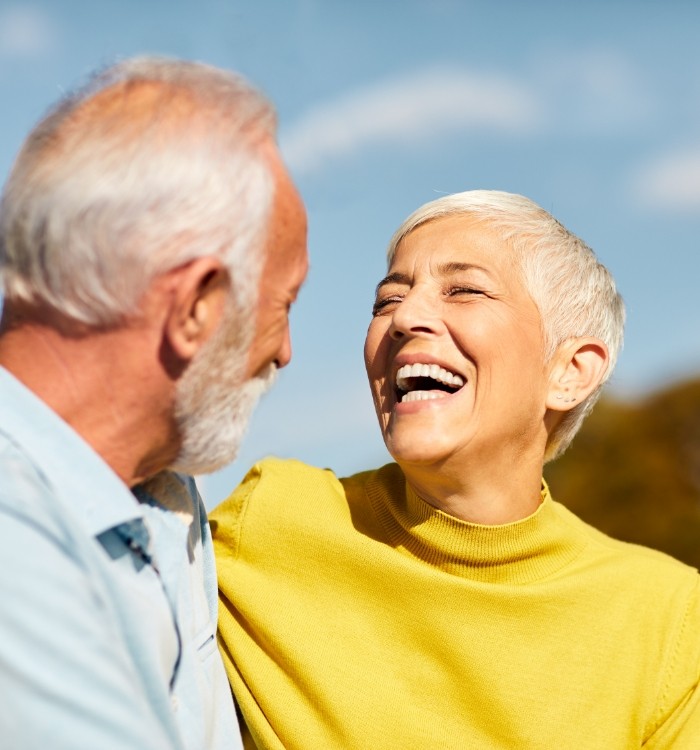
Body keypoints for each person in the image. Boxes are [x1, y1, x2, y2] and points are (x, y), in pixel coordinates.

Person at [210, 191, 700, 749]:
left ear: (569, 370)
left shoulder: (671, 620)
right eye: (386, 301)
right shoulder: (270, 517)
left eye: (464, 290)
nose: (405, 318)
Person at [0, 56, 307, 750]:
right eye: (284, 305)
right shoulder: (13, 539)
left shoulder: (163, 496)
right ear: (195, 306)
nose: (286, 351)